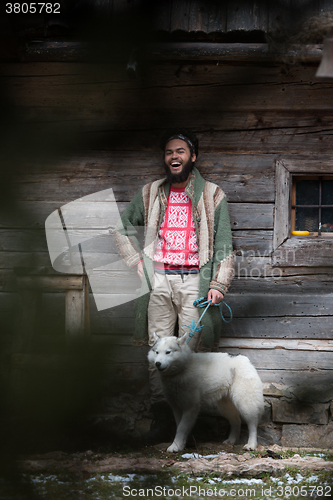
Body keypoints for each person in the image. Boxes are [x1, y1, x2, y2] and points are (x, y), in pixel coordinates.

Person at [115, 129, 234, 443]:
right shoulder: (151, 192)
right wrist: (135, 260)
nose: (174, 156)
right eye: (169, 152)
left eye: (180, 151)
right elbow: (122, 227)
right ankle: (162, 421)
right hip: (158, 279)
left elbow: (223, 244)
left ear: (192, 156)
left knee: (189, 354)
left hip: (195, 280)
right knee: (159, 353)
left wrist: (219, 283)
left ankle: (190, 425)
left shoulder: (212, 194)